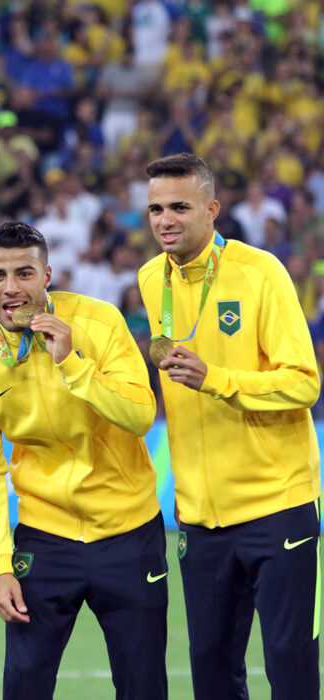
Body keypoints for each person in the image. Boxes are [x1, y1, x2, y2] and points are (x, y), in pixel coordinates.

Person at [0, 221, 167, 699]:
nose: (12, 288)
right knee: (24, 685)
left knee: (144, 684)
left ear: (48, 275)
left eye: (25, 273)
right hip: (45, 539)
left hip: (128, 532)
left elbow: (139, 415)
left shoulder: (101, 322)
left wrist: (71, 363)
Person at [139, 153, 321, 699]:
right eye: (154, 209)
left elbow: (303, 382)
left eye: (179, 207)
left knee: (290, 668)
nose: (165, 220)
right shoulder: (152, 279)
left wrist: (215, 377)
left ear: (212, 209)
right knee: (212, 673)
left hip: (276, 505)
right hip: (199, 518)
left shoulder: (260, 271)